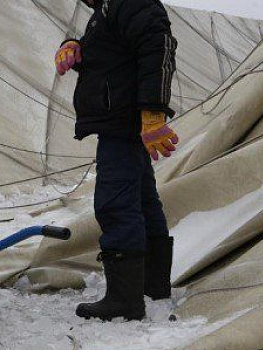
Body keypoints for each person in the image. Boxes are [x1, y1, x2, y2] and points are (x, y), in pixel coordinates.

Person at [55, 0, 179, 321]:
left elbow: (158, 43)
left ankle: (124, 300)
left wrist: (153, 111)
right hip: (122, 122)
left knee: (115, 203)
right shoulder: (108, 10)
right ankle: (153, 285)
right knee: (142, 199)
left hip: (122, 122)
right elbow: (111, 56)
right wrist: (74, 47)